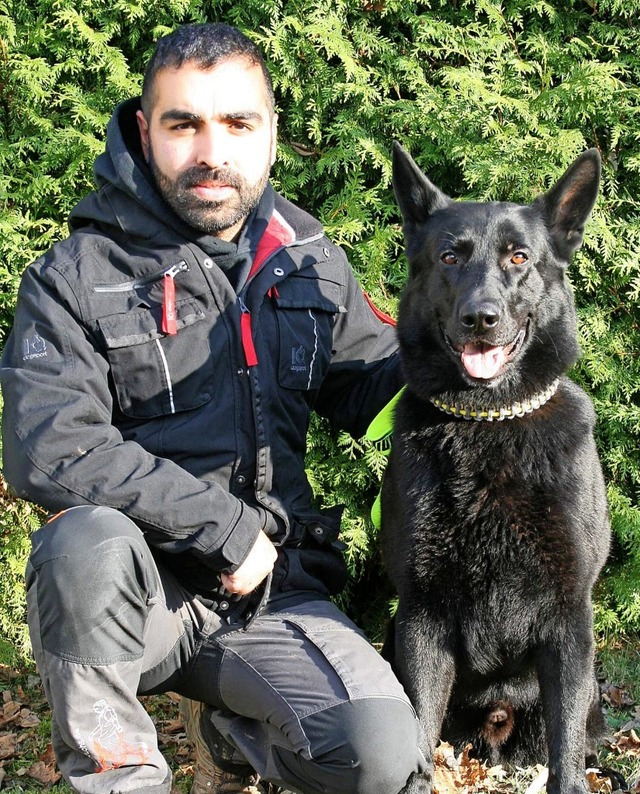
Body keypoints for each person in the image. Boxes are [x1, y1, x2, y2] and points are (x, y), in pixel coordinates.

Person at [0, 22, 426, 794]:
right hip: (140, 598)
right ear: (143, 129)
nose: (211, 151)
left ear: (270, 134)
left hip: (273, 593)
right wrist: (224, 530)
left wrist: (491, 366)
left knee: (381, 757)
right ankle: (120, 780)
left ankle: (237, 729)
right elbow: (50, 448)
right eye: (182, 123)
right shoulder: (74, 275)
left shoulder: (307, 257)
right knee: (81, 546)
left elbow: (381, 393)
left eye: (237, 123)